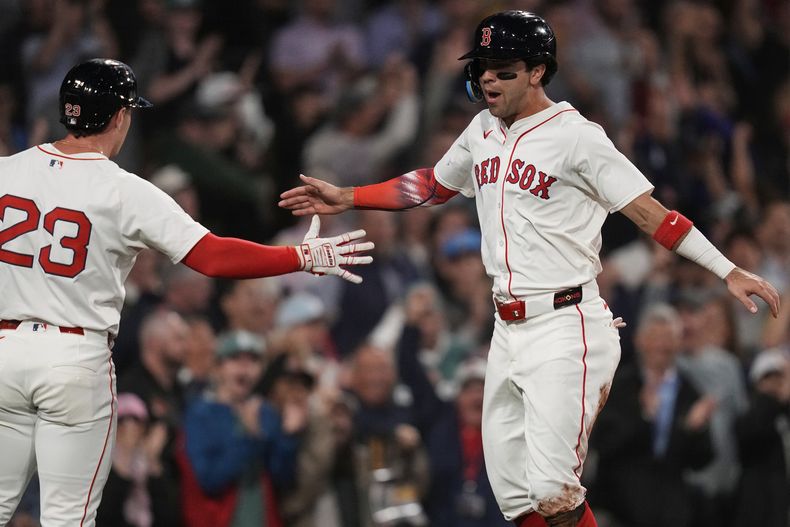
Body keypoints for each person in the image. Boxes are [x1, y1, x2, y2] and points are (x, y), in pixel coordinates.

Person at [279, 11, 781, 527]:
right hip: (507, 328)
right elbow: (433, 184)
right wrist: (349, 196)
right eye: (483, 68)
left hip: (567, 323)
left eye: (503, 68)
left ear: (538, 70)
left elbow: (654, 215)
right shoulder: (481, 131)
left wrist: (726, 269)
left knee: (552, 489)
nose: (488, 78)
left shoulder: (577, 136)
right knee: (516, 499)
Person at [0, 58, 373, 527]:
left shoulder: (6, 170)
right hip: (73, 357)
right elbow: (212, 256)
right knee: (67, 519)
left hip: (5, 350)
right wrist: (298, 257)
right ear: (118, 116)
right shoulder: (123, 189)